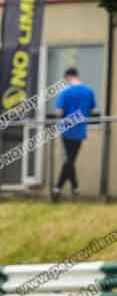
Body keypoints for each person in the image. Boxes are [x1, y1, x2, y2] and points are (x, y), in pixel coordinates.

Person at [53, 67, 96, 200]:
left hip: (66, 130)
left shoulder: (65, 92)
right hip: (80, 130)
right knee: (70, 160)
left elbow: (59, 112)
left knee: (69, 161)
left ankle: (58, 189)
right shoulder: (89, 91)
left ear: (68, 77)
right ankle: (74, 189)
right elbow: (92, 109)